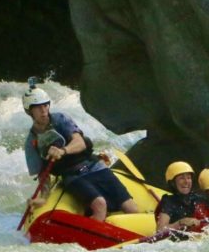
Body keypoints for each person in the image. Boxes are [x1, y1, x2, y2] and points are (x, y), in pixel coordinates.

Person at [22, 81, 138, 222]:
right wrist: (43, 198)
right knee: (100, 205)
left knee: (132, 209)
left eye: (45, 105)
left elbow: (80, 143)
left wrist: (62, 151)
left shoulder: (60, 119)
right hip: (73, 176)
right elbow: (43, 175)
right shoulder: (31, 143)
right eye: (38, 107)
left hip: (93, 166)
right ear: (29, 111)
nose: (44, 110)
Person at [155, 161, 209, 234]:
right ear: (172, 183)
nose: (186, 181)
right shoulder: (168, 201)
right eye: (181, 178)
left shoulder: (196, 198)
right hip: (177, 242)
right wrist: (180, 222)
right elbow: (160, 230)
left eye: (188, 178)